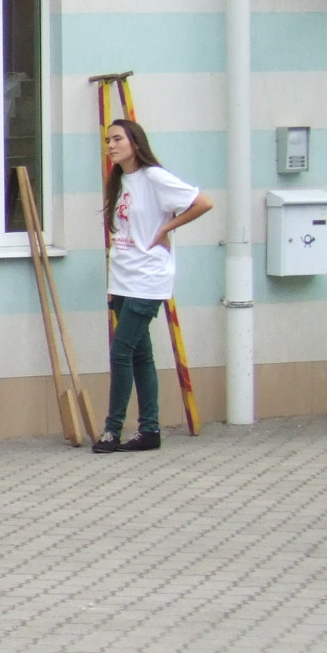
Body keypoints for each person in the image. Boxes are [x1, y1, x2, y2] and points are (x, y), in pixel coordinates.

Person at [96, 118, 212, 453]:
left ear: (135, 143)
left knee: (121, 352)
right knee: (140, 355)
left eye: (118, 139)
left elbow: (203, 202)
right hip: (122, 279)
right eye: (108, 140)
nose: (111, 145)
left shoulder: (154, 177)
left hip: (148, 279)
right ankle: (150, 430)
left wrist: (166, 229)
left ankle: (112, 430)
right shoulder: (119, 180)